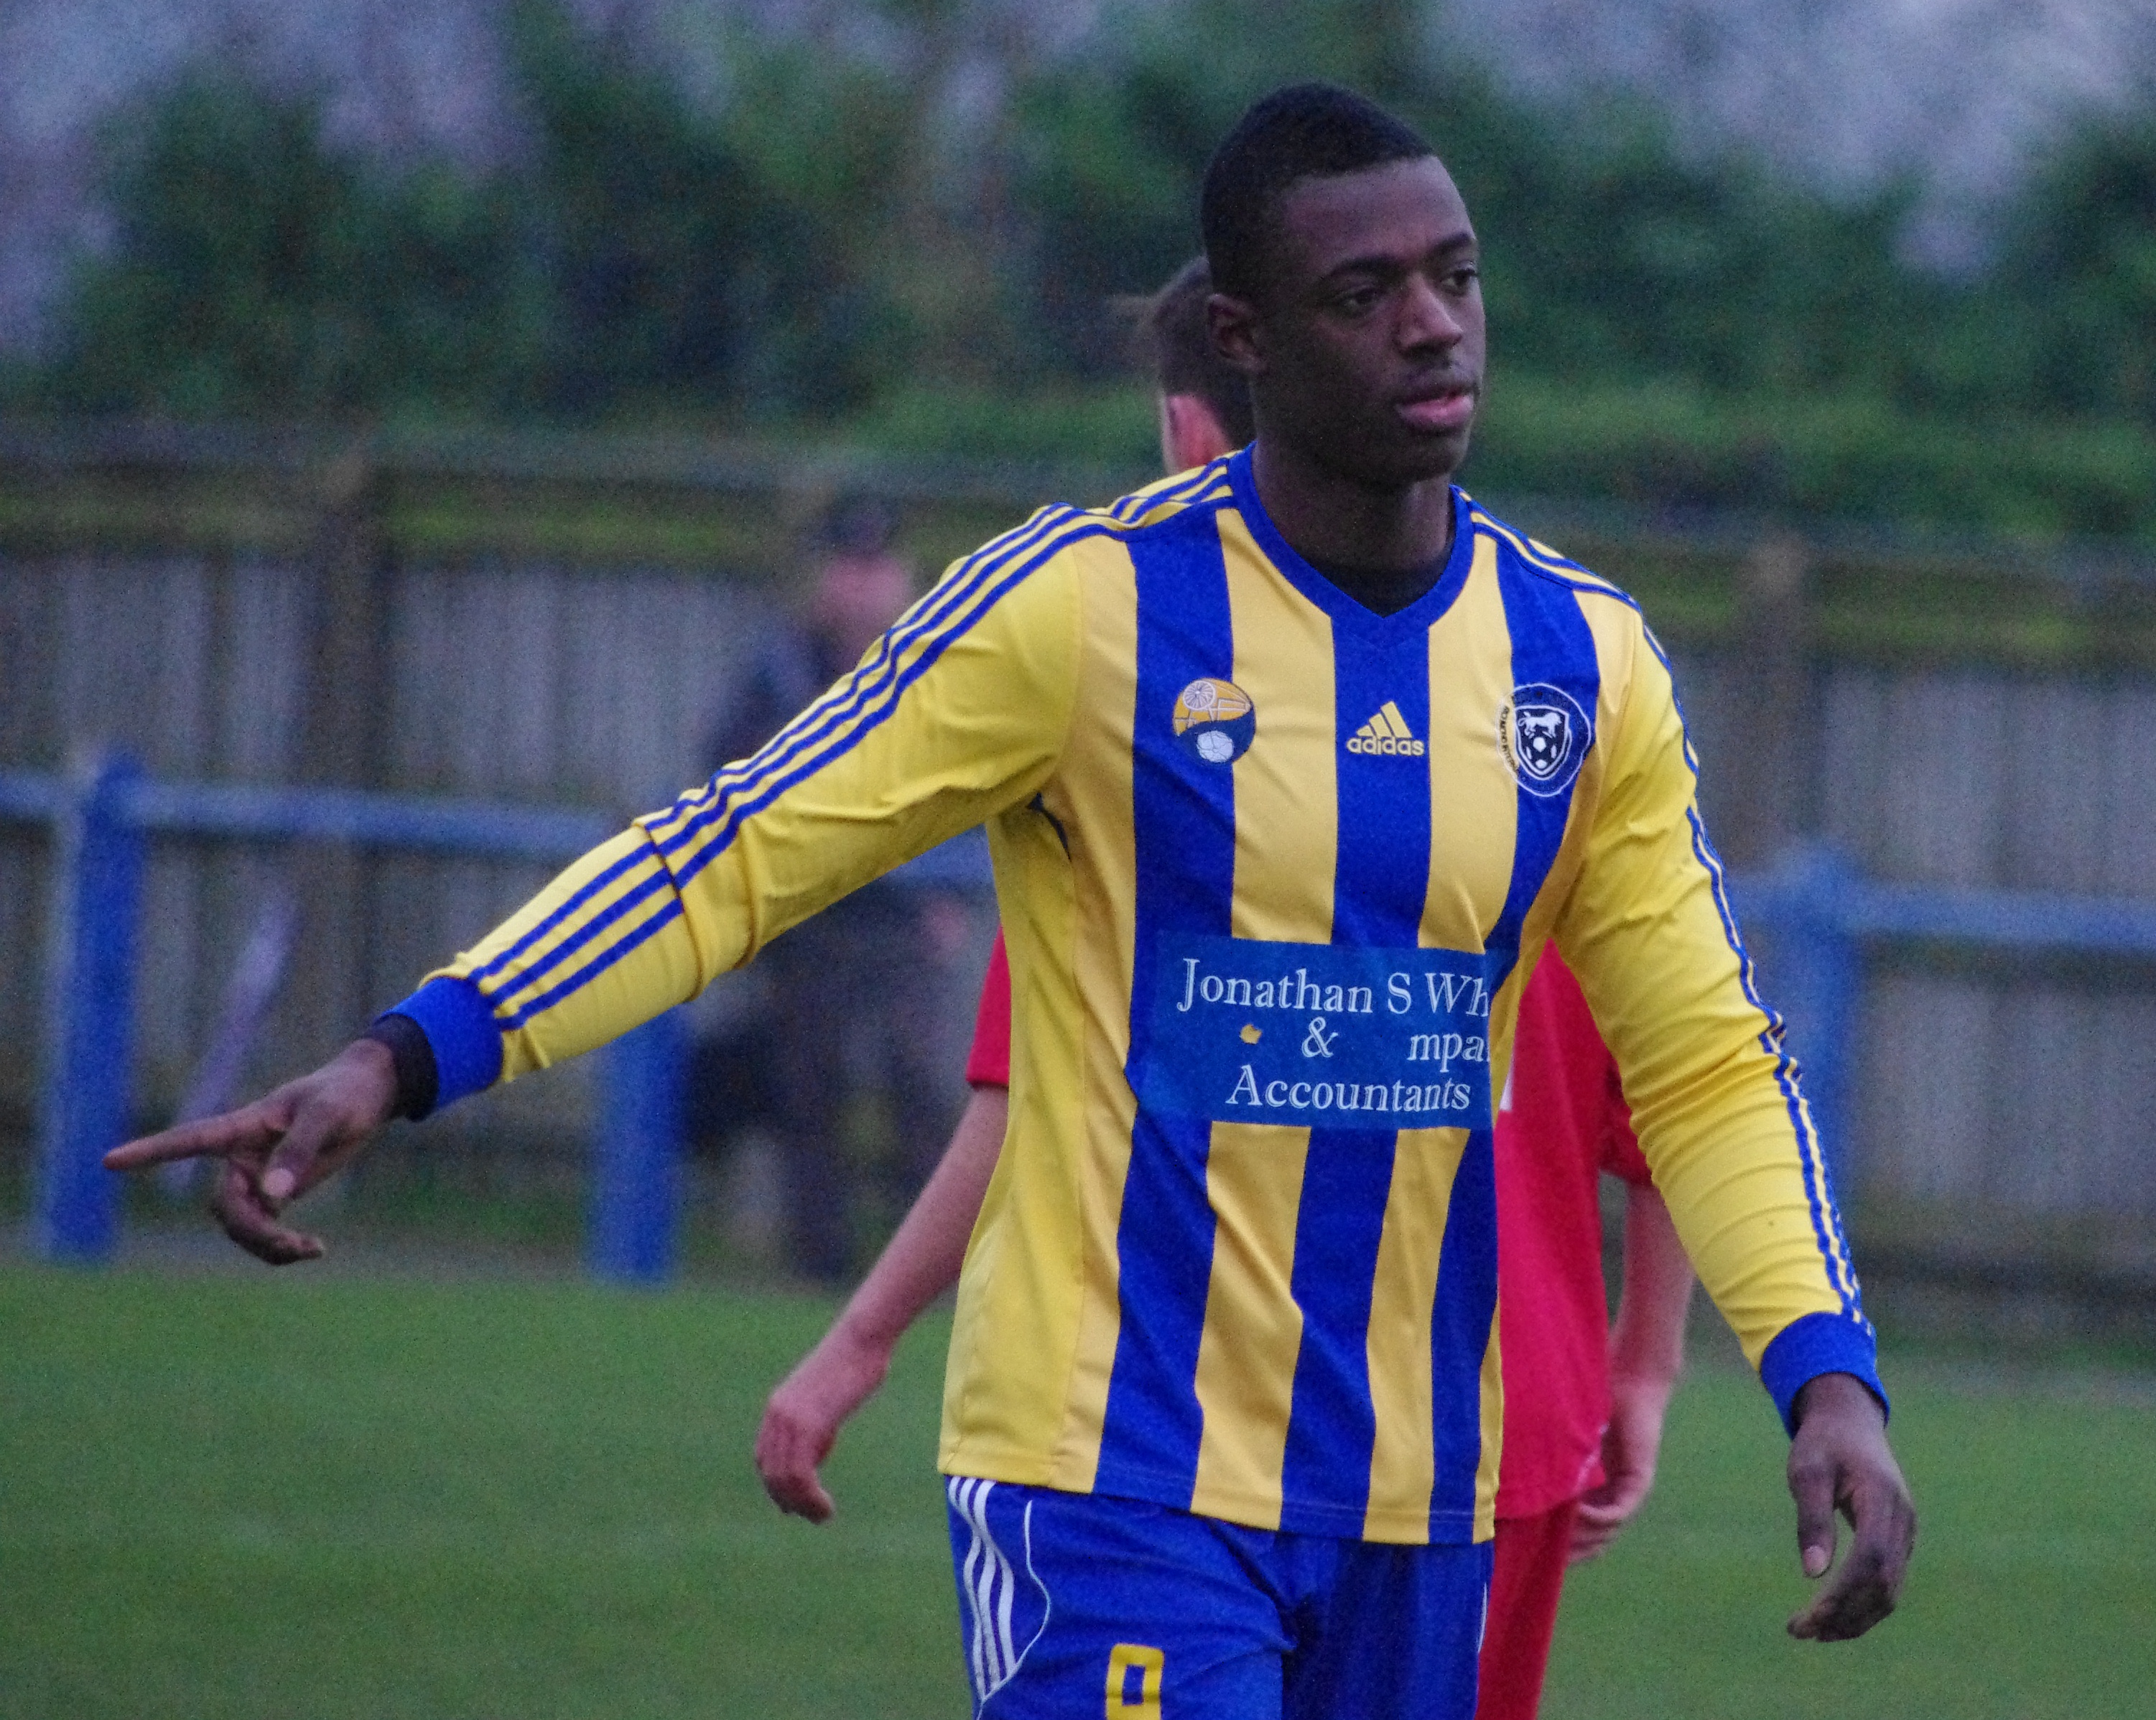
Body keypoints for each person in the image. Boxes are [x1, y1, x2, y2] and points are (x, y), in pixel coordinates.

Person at [108, 83, 1914, 1720]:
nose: (1430, 322)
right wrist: (409, 1051)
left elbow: (1698, 1065)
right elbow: (734, 852)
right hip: (1110, 1469)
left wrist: (1822, 1371)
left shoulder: (1573, 666)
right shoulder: (1080, 613)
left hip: (1415, 1504)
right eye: (1363, 294)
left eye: (1451, 276)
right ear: (1240, 341)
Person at [753, 258, 1696, 1720]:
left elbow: (1008, 1107)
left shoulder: (1147, 748)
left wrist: (860, 1336)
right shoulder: (1557, 707)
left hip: (1237, 1422)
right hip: (1513, 1423)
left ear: (1199, 434)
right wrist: (1644, 1367)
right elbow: (1690, 1102)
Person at [696, 495, 965, 1283]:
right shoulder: (780, 670)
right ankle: (818, 1270)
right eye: (849, 567)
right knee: (809, 1094)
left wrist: (956, 896)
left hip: (908, 917)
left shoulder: (934, 666)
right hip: (811, 916)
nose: (862, 587)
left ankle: (930, 1277)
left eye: (876, 567)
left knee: (921, 1087)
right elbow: (727, 779)